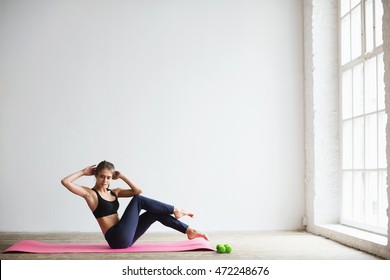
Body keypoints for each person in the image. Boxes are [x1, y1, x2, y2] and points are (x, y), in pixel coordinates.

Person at [61, 160, 208, 249]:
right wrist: (82, 171)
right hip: (116, 238)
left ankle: (188, 231)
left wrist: (123, 176)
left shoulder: (115, 192)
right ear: (96, 176)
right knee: (139, 201)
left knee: (153, 212)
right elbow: (66, 182)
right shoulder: (91, 195)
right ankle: (175, 210)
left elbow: (137, 190)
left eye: (108, 177)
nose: (105, 180)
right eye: (101, 177)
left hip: (126, 238)